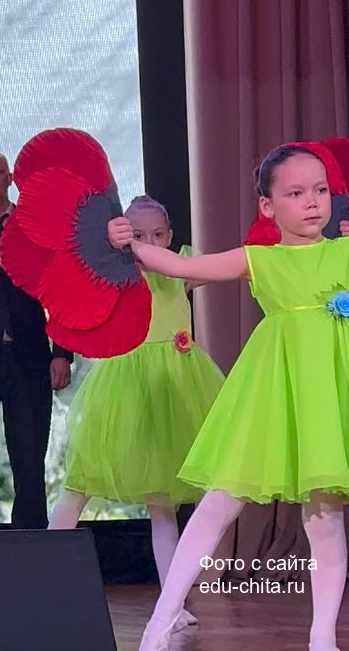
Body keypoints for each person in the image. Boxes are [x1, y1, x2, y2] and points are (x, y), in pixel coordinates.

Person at [122, 144, 349, 651]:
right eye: (296, 193)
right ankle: (161, 620)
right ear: (268, 206)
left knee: (325, 517)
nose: (313, 202)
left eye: (320, 190)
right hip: (275, 388)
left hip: (330, 396)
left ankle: (322, 637)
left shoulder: (344, 252)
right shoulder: (259, 259)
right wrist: (131, 243)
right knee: (219, 502)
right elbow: (178, 266)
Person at [46, 196, 224, 630]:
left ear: (171, 236)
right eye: (139, 235)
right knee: (81, 483)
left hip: (174, 386)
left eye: (157, 235)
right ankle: (39, 578)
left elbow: (227, 267)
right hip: (125, 384)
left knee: (162, 504)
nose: (149, 243)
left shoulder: (181, 268)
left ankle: (172, 603)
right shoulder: (116, 271)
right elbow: (64, 275)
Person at [0, 150, 72, 530]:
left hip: (29, 354)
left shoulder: (34, 225)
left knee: (29, 456)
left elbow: (57, 286)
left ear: (9, 178)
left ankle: (32, 542)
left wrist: (62, 354)